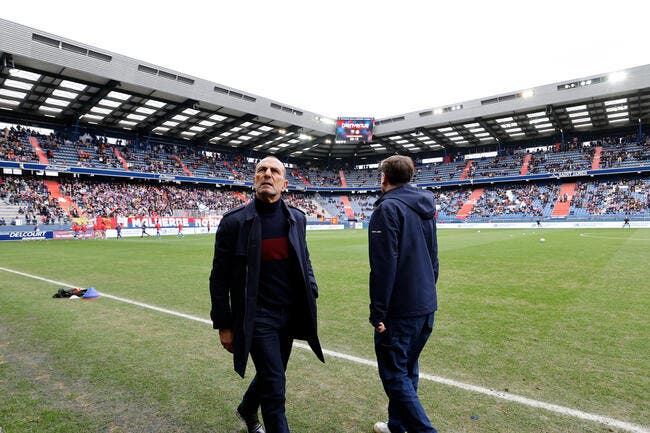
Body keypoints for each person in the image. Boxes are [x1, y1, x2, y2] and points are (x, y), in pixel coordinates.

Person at [209, 156, 324, 433]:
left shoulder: (297, 218)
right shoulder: (234, 223)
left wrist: (311, 286)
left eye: (274, 171)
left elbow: (304, 258)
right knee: (275, 388)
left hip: (289, 314)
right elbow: (218, 278)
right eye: (261, 170)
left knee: (273, 374)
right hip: (257, 317)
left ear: (284, 183)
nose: (267, 174)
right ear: (254, 180)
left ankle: (247, 408)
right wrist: (224, 325)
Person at [368, 155, 439, 433]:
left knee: (395, 374)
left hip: (400, 310)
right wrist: (426, 295)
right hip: (425, 304)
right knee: (408, 369)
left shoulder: (387, 209)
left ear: (384, 178)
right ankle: (397, 426)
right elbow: (434, 258)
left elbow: (384, 266)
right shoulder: (424, 206)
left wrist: (379, 313)